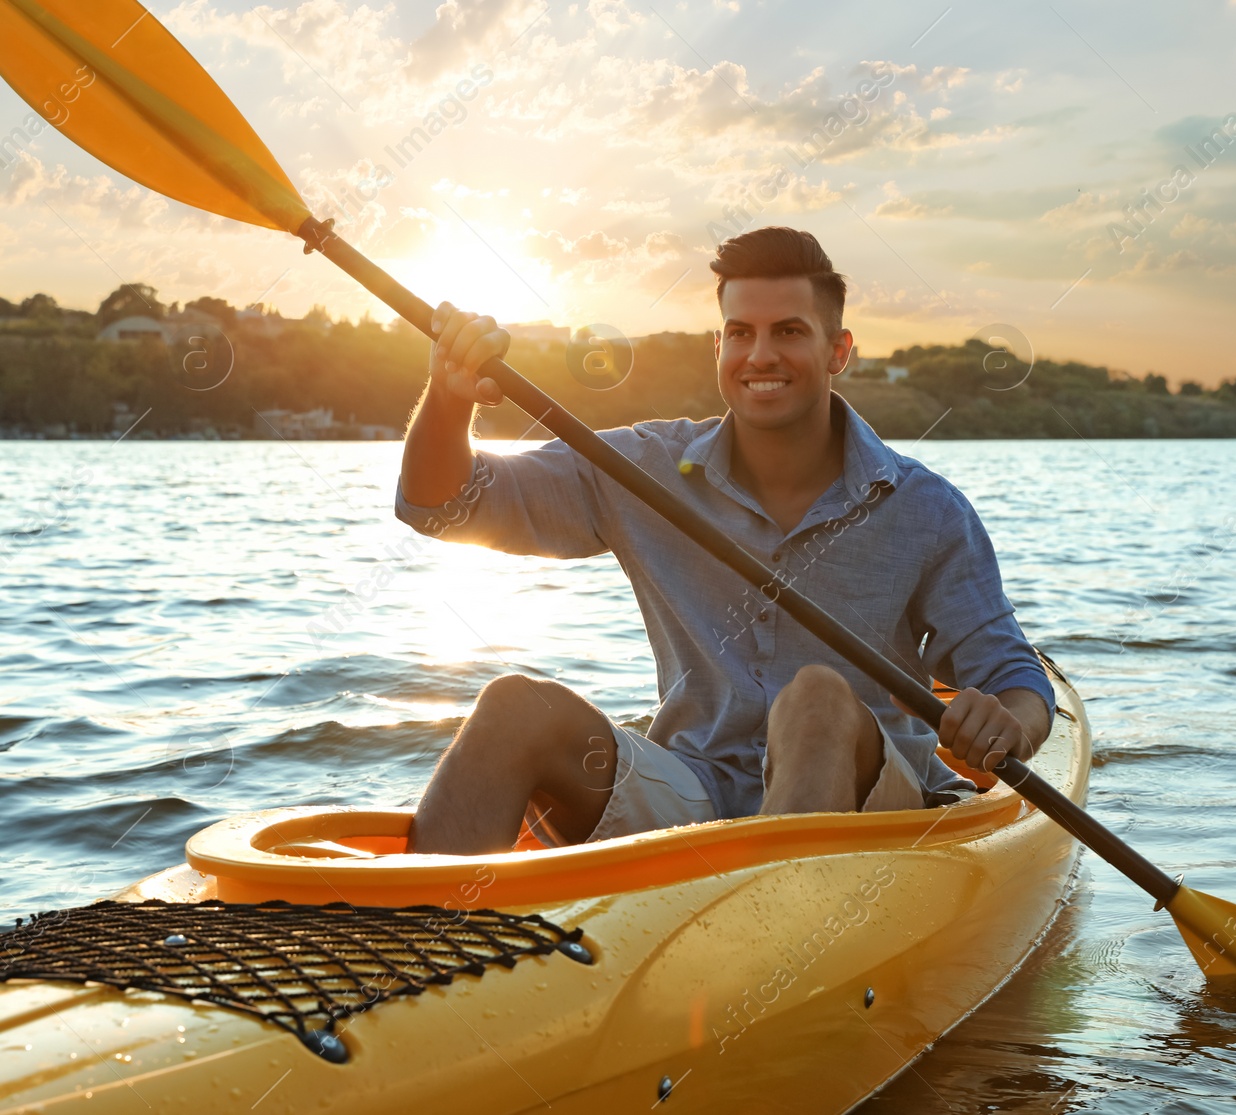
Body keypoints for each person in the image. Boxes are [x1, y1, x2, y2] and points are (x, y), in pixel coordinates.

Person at [396, 226, 1052, 854]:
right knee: (515, 706)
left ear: (839, 350)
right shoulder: (644, 467)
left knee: (817, 698)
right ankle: (418, 939)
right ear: (719, 350)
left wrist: (1009, 723)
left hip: (874, 818)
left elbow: (1014, 675)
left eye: (789, 331)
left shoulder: (927, 509)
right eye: (741, 333)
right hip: (696, 797)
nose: (760, 355)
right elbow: (440, 504)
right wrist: (451, 401)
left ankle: (776, 951)